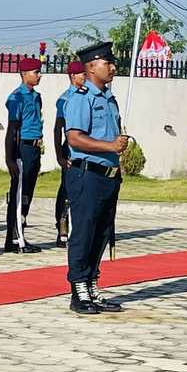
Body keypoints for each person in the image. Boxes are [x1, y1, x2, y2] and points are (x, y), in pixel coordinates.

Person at [64, 41, 129, 315]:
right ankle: (78, 287)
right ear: (91, 67)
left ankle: (92, 283)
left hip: (108, 176)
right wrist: (110, 147)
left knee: (102, 232)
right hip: (86, 174)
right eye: (107, 63)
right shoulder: (81, 97)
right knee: (84, 232)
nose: (113, 67)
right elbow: (75, 138)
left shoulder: (109, 98)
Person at [4, 56, 45, 253]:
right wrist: (10, 158)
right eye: (35, 72)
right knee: (19, 193)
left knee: (27, 193)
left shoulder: (36, 97)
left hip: (35, 148)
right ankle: (14, 237)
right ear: (23, 74)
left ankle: (19, 231)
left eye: (39, 71)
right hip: (23, 147)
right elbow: (12, 129)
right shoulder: (16, 97)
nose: (39, 75)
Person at [54, 59, 86, 245]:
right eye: (82, 74)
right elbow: (58, 128)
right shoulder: (65, 99)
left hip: (85, 148)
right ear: (73, 76)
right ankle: (62, 226)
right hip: (70, 149)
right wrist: (59, 154)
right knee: (67, 189)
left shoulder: (87, 96)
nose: (85, 77)